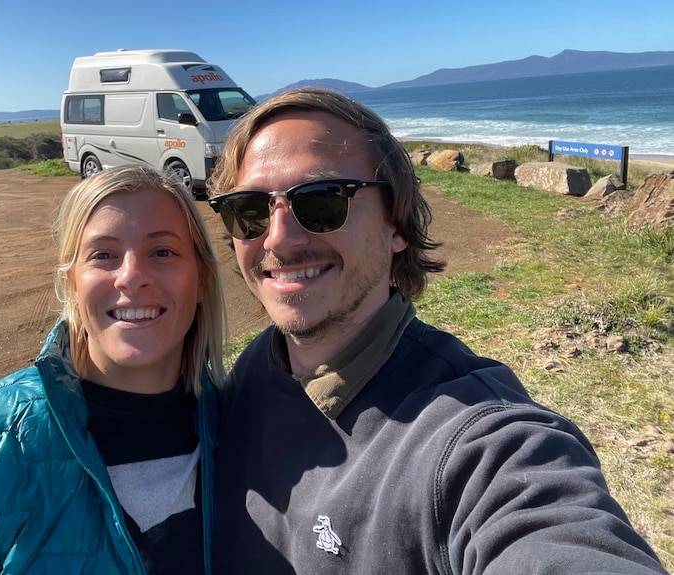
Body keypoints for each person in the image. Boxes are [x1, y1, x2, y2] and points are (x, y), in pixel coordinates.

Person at [206, 88, 668, 574]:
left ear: (397, 224)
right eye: (251, 210)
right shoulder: (258, 365)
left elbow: (552, 531)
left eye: (323, 202)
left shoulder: (476, 443)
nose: (278, 237)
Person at [0, 164, 227, 574]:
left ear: (201, 279)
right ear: (73, 284)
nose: (132, 277)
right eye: (103, 255)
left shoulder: (241, 430)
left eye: (162, 251)